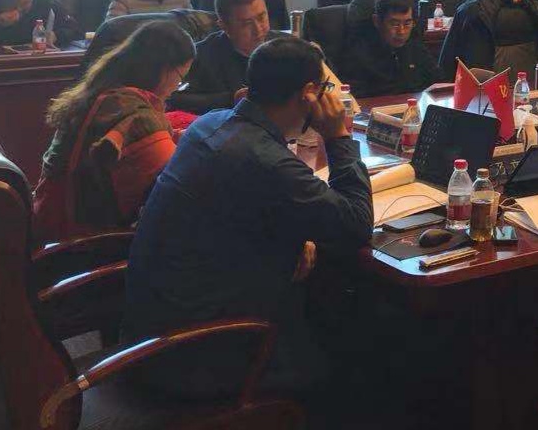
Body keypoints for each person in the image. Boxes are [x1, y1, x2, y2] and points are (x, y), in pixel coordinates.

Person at [123, 37, 372, 398]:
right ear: (308, 94)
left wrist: (294, 237)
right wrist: (337, 135)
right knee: (356, 344)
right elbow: (357, 225)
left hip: (154, 326)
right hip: (196, 353)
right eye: (325, 90)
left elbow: (243, 210)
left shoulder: (210, 125)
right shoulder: (263, 159)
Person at [34, 21, 194, 243]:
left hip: (47, 221)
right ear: (164, 70)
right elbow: (173, 191)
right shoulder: (137, 117)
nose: (176, 87)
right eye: (180, 78)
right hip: (82, 245)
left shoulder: (101, 94)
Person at [168, 0, 270, 113]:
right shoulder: (199, 57)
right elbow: (172, 98)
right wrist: (231, 99)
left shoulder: (283, 46)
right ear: (224, 26)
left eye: (261, 17)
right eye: (246, 23)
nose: (258, 29)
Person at [339, 0, 443, 97]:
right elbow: (353, 96)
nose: (401, 31)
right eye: (394, 24)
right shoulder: (358, 52)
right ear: (377, 21)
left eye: (407, 23)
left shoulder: (414, 44)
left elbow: (438, 80)